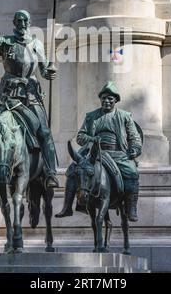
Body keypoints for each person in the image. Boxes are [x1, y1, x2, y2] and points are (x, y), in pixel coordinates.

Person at [0, 0, 59, 189]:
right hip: (7, 97)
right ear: (14, 23)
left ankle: (51, 173)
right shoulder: (6, 42)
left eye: (25, 20)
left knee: (45, 133)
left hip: (30, 96)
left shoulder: (37, 45)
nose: (22, 24)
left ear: (29, 23)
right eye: (19, 20)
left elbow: (43, 70)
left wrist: (49, 72)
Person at [56, 81, 142, 221]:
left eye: (110, 99)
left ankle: (131, 207)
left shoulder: (125, 116)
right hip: (94, 154)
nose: (107, 101)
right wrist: (92, 139)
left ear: (116, 101)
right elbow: (80, 137)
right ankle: (67, 207)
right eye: (104, 98)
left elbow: (134, 136)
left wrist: (135, 149)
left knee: (132, 173)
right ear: (100, 99)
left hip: (117, 154)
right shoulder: (91, 116)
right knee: (72, 170)